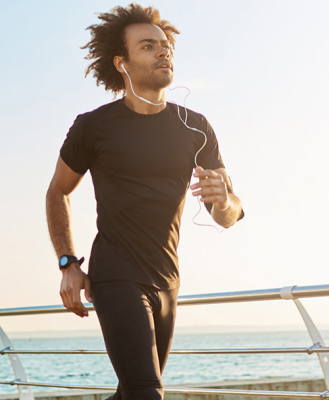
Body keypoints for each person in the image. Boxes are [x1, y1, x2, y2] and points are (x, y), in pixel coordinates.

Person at [45, 4, 244, 400]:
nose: (163, 52)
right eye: (149, 46)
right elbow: (58, 192)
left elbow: (228, 215)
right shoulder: (94, 127)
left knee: (133, 392)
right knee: (147, 391)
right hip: (116, 273)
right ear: (122, 62)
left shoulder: (195, 127)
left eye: (166, 45)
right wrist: (68, 263)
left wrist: (223, 200)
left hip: (168, 279)